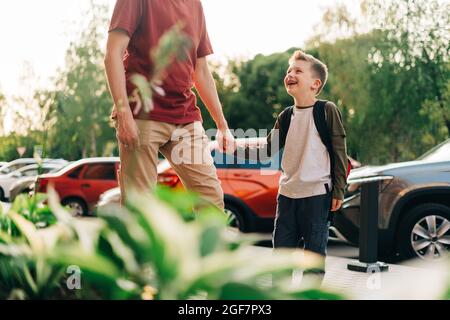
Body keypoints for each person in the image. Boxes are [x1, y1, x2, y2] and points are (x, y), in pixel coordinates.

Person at [104, 0, 235, 209]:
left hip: (186, 117)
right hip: (142, 114)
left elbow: (200, 70)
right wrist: (124, 113)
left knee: (211, 200)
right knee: (140, 207)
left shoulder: (195, 5)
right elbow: (113, 53)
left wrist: (222, 125)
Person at [235, 50, 348, 260]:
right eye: (289, 70)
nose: (290, 74)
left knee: (313, 258)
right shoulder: (285, 116)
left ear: (315, 84)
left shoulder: (326, 110)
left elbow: (339, 151)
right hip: (287, 196)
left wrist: (338, 191)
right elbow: (266, 152)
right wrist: (234, 148)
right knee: (281, 259)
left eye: (298, 70)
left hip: (317, 196)